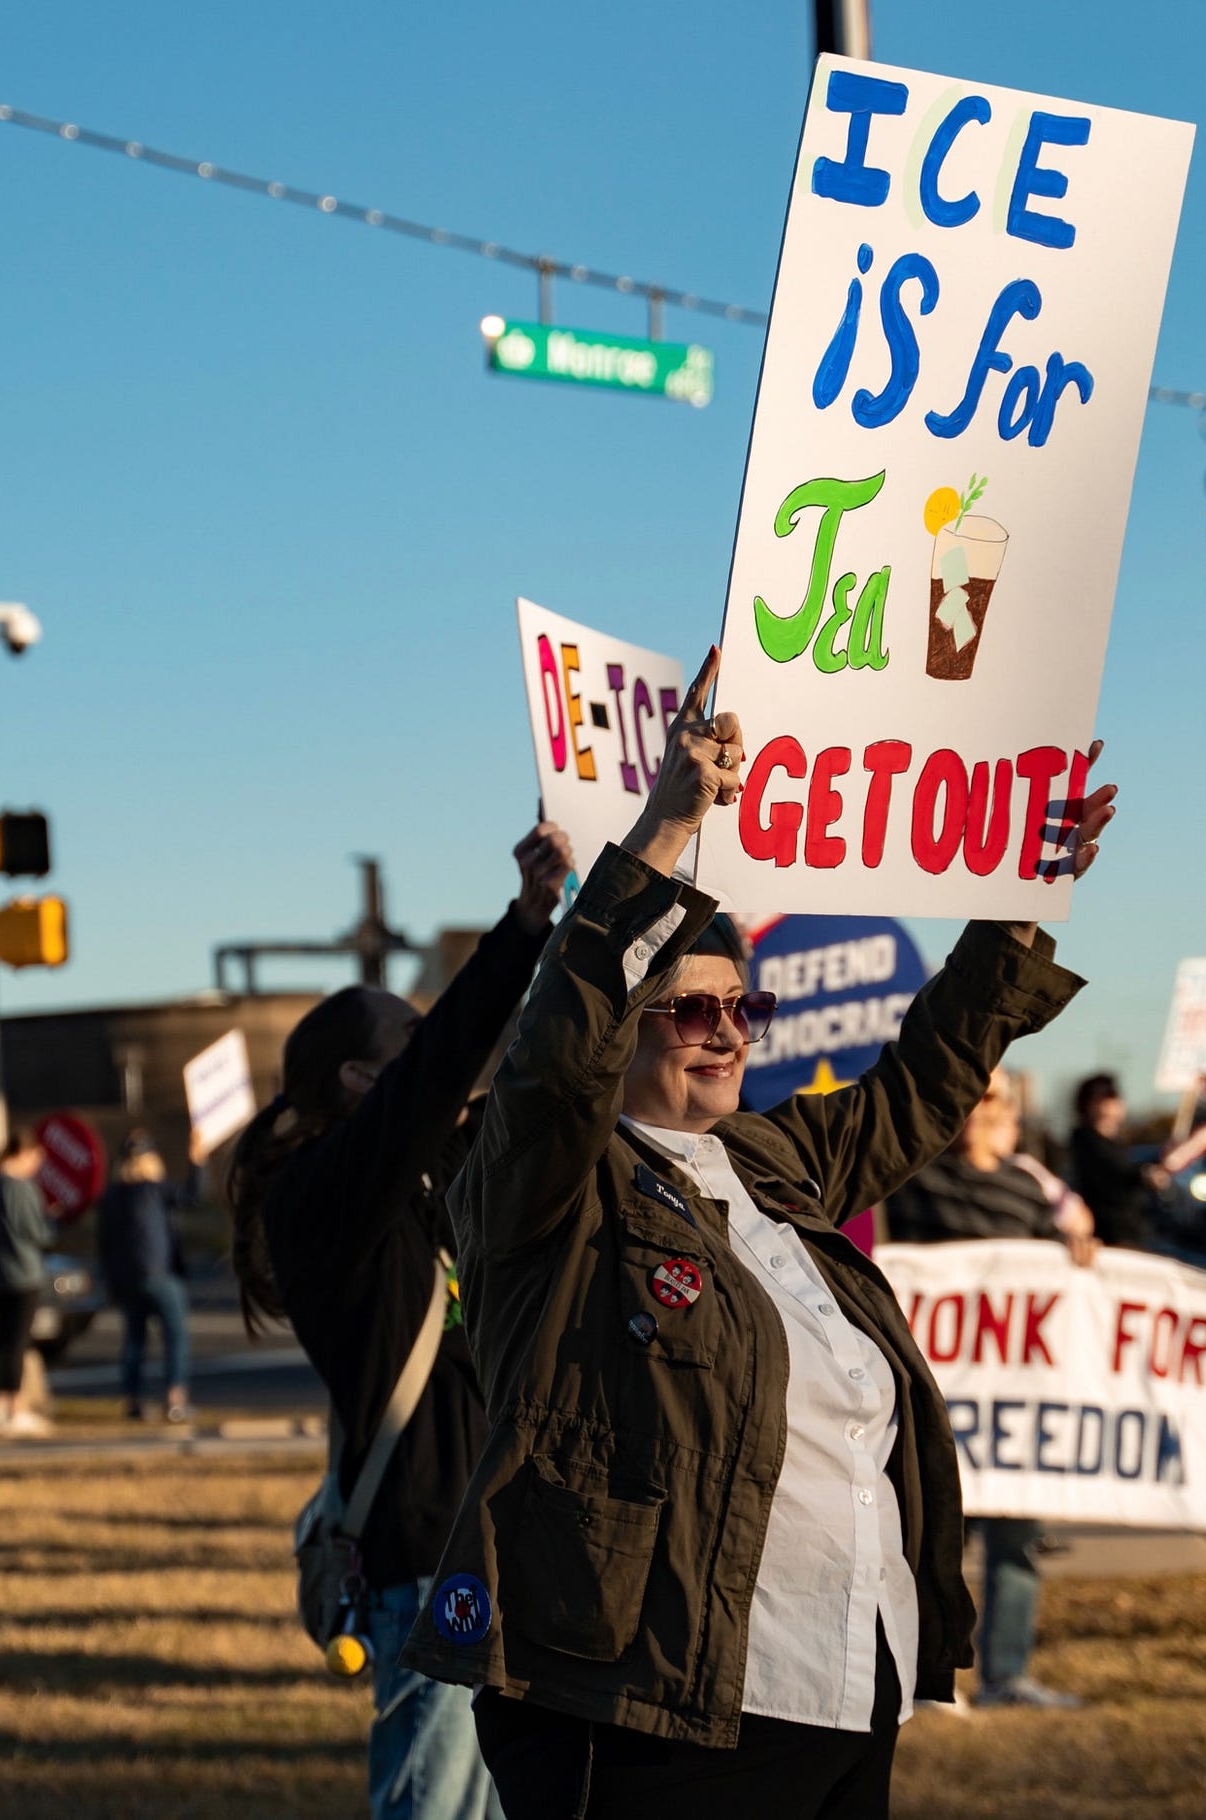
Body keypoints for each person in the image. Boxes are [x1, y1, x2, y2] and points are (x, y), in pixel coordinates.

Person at [402, 650, 1117, 1820]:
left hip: (844, 1685)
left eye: (743, 1003)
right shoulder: (546, 1182)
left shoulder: (768, 1159)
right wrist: (668, 827)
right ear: (622, 1025)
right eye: (688, 1007)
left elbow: (926, 1081)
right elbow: (547, 1062)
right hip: (649, 1707)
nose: (725, 1029)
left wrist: (1020, 900)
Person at [228, 819, 574, 1820]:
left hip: (506, 1554)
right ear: (356, 1082)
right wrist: (522, 923)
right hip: (433, 1568)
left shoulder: (435, 1182)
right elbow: (438, 1080)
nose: (434, 1045)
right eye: (407, 1037)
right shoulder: (322, 1200)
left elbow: (524, 1075)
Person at [886, 1071, 1095, 1710]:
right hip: (940, 1404)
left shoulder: (1026, 1188)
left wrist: (1081, 1248)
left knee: (1016, 1544)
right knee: (934, 1549)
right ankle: (930, 1684)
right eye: (970, 1095)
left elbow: (1056, 1275)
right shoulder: (918, 1178)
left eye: (993, 1098)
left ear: (1007, 1113)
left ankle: (1007, 1677)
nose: (980, 1108)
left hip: (1013, 1412)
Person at [97, 1130, 194, 1424]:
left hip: (126, 1279)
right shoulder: (153, 1189)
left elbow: (104, 1242)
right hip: (158, 1274)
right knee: (175, 1337)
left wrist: (111, 1281)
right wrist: (197, 1160)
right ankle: (175, 1399)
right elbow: (192, 1195)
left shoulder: (111, 1196)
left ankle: (133, 1400)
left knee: (134, 1340)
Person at [0, 1128, 56, 1438]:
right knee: (17, 1343)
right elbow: (35, 1231)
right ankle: (16, 1408)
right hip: (22, 1273)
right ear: (23, 1154)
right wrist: (52, 1223)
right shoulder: (18, 1187)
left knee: (2, 1341)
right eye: (36, 1159)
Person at [1069, 1072, 1167, 1249]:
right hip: (1108, 1235)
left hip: (1131, 1230)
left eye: (1113, 1095)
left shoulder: (1116, 1144)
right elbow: (1113, 1173)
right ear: (1088, 1103)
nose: (1111, 1102)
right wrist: (1144, 1175)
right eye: (1104, 1097)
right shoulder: (1085, 1141)